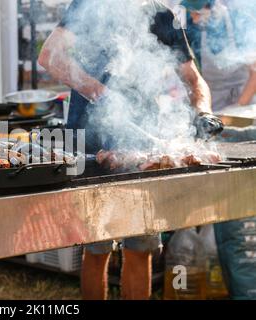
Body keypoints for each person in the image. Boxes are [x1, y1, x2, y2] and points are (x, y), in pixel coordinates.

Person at [39, 0, 223, 300]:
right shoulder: (88, 6)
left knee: (141, 249)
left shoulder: (165, 17)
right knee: (97, 248)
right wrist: (102, 94)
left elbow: (193, 79)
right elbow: (50, 56)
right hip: (94, 145)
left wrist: (204, 112)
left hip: (143, 147)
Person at [182, 0, 256, 299]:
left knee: (238, 209)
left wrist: (236, 109)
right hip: (214, 120)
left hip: (240, 119)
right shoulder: (193, 27)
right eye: (191, 13)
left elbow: (255, 70)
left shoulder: (232, 21)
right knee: (222, 207)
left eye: (197, 12)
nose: (194, 17)